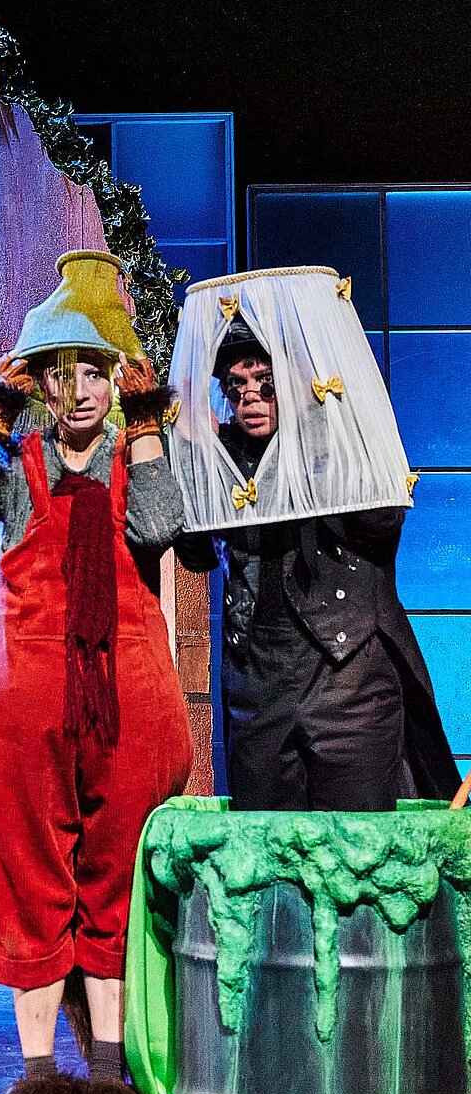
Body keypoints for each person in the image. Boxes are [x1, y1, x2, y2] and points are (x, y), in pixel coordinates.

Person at [0, 260, 193, 1094]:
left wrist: (146, 429)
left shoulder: (134, 453)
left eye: (94, 370)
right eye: (61, 372)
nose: (79, 391)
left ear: (117, 378)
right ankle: (41, 1076)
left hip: (127, 700)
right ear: (38, 381)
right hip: (24, 704)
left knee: (115, 879)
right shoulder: (18, 460)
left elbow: (163, 529)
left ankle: (110, 1076)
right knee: (29, 879)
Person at [175, 315, 459, 810]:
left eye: (266, 384)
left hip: (346, 674)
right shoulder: (221, 460)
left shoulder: (339, 443)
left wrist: (320, 446)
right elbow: (194, 553)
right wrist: (185, 449)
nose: (250, 398)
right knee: (264, 845)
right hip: (258, 679)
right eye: (236, 387)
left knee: (359, 843)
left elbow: (384, 522)